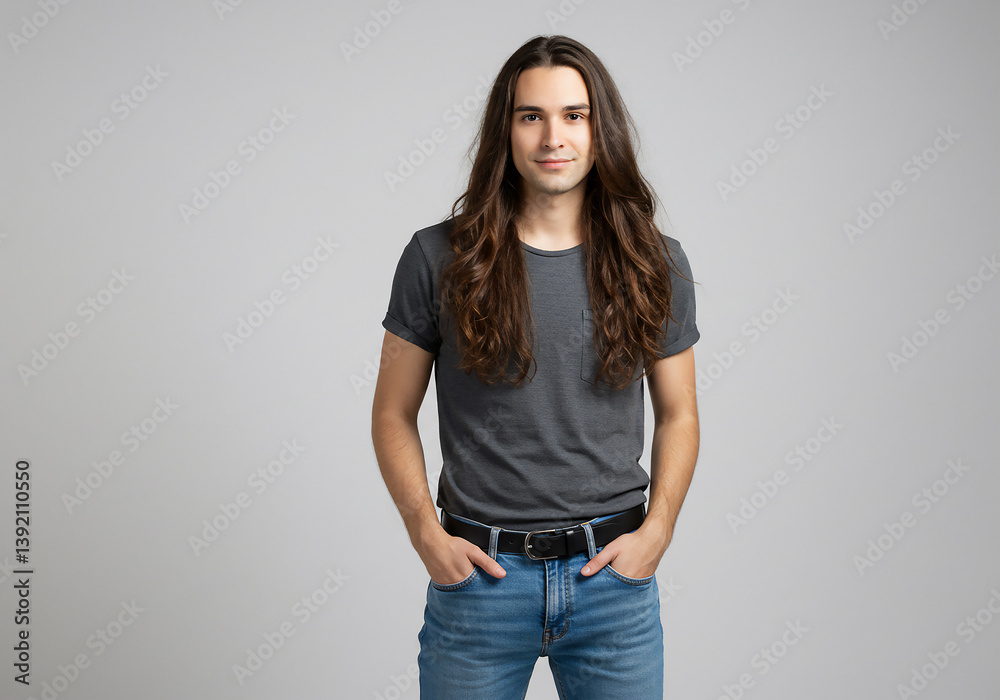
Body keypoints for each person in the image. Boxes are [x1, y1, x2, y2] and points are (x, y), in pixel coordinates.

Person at [371, 34, 700, 699]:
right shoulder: (437, 257)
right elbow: (391, 413)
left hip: (613, 584)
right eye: (532, 116)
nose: (554, 137)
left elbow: (680, 414)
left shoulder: (655, 262)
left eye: (574, 115)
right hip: (480, 585)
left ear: (600, 129)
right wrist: (426, 535)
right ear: (507, 130)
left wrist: (659, 531)